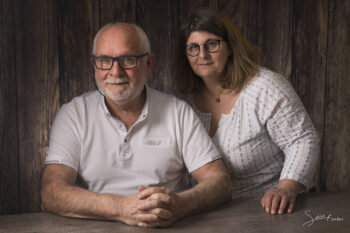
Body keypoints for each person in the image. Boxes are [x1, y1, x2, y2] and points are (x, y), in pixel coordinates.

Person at [40, 22, 232, 228]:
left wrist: (181, 205)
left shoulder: (178, 112)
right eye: (105, 60)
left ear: (149, 64)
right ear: (94, 64)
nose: (115, 71)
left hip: (165, 228)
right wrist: (120, 208)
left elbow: (220, 181)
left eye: (127, 60)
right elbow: (51, 192)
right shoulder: (73, 115)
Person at [174, 8, 320, 215]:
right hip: (218, 214)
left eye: (211, 44)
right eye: (193, 48)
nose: (202, 55)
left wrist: (286, 189)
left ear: (230, 47)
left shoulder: (265, 87)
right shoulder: (184, 104)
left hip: (276, 209)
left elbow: (303, 140)